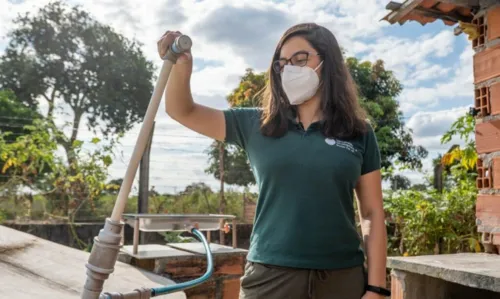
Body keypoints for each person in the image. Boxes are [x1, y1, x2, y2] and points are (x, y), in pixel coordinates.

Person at [158, 23, 389, 299]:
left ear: (328, 62)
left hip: (342, 279)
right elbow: (181, 110)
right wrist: (181, 63)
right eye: (282, 64)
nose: (290, 69)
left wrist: (377, 288)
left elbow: (372, 213)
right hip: (270, 278)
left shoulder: (358, 132)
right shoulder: (257, 124)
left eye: (300, 59)